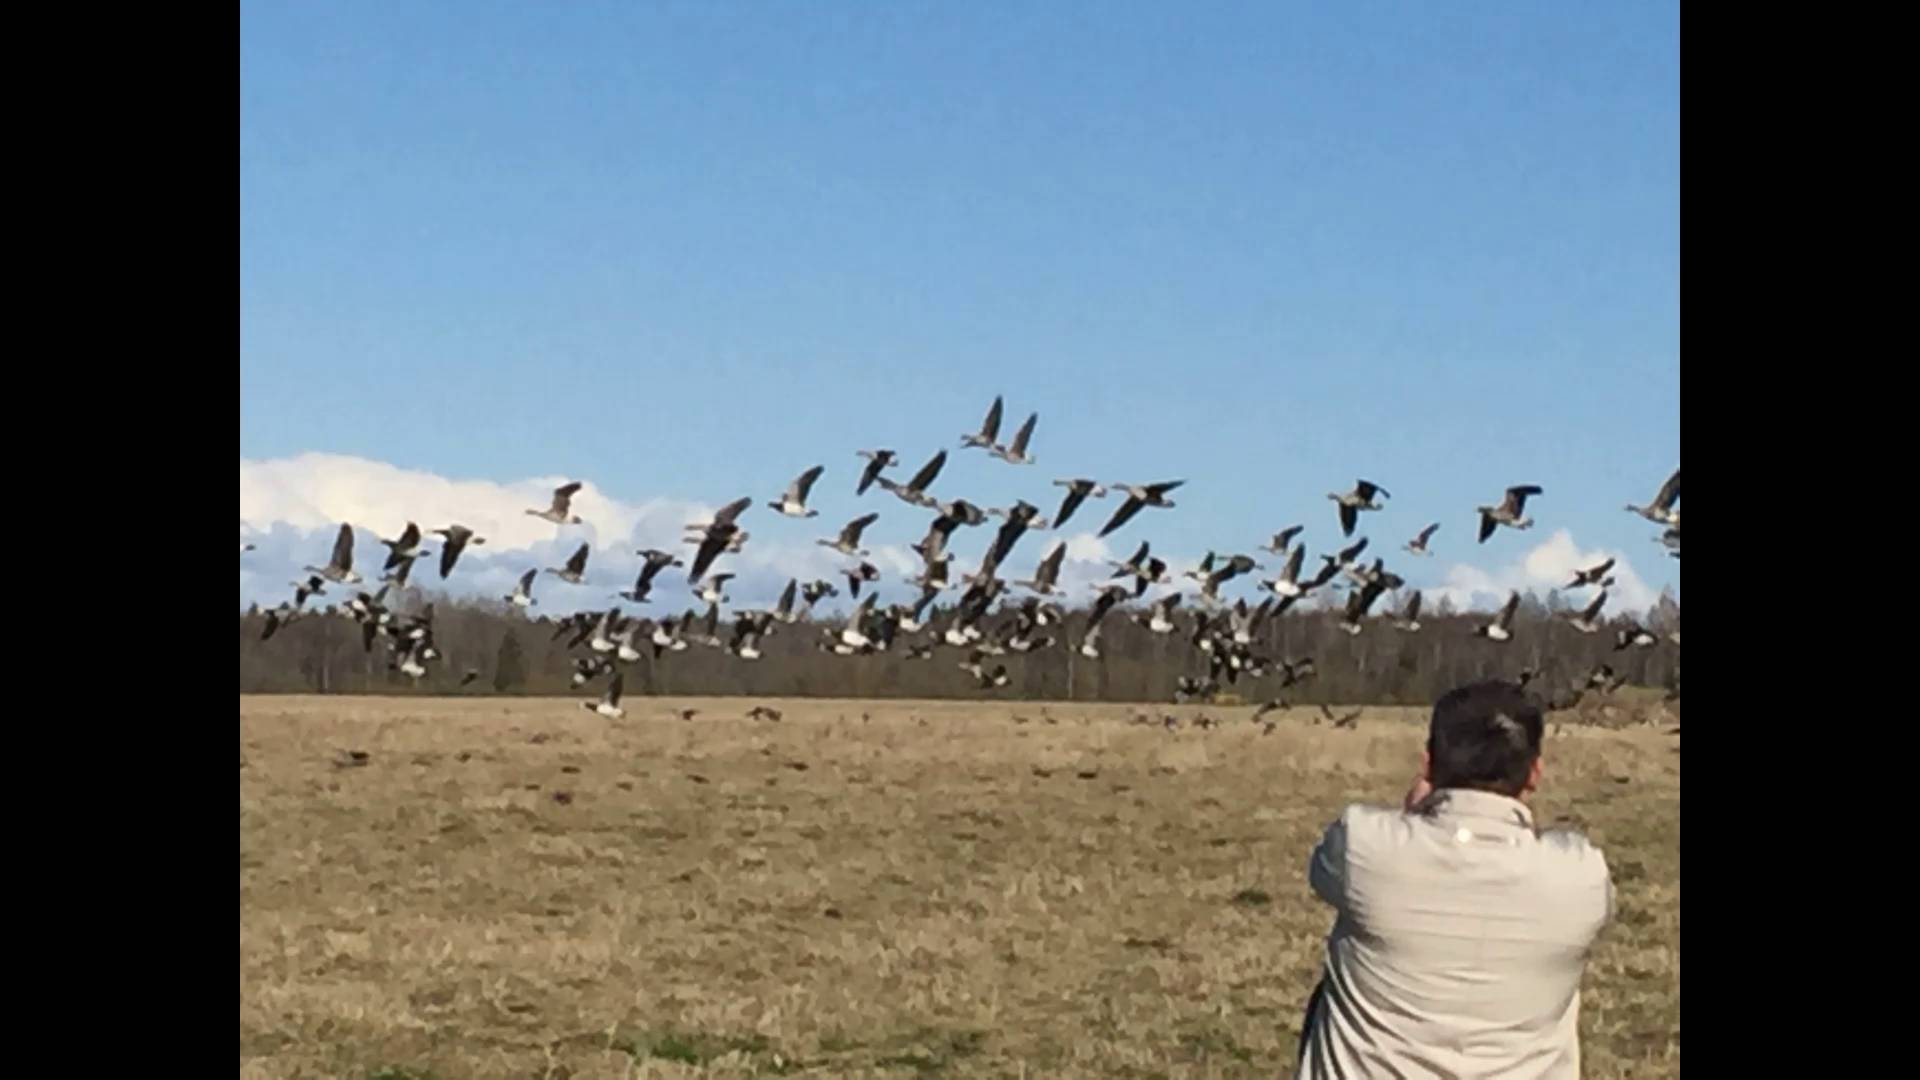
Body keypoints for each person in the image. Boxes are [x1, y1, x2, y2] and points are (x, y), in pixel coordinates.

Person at [1295, 680, 1615, 1078]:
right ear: (1535, 772)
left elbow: (1322, 871)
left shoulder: (1363, 845)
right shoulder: (1581, 875)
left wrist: (1416, 816)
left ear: (1428, 763)